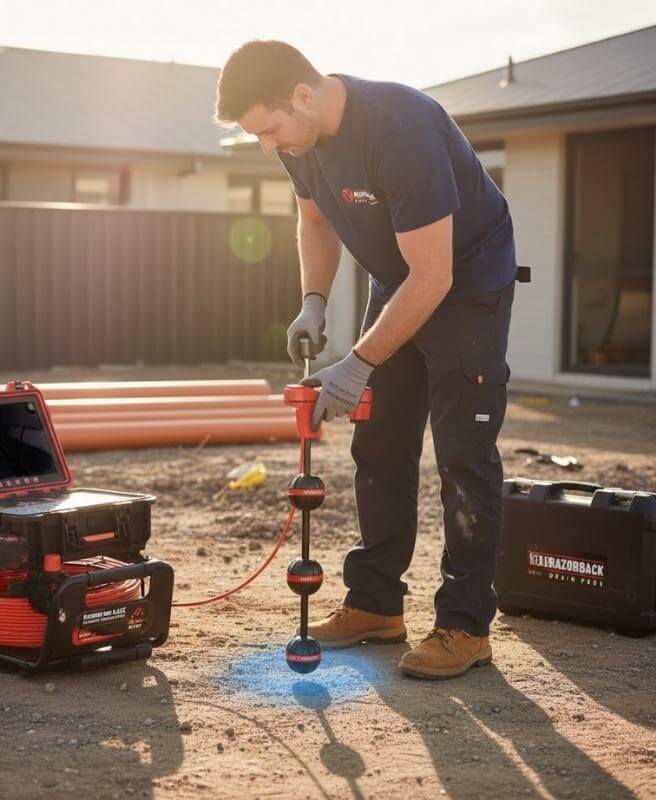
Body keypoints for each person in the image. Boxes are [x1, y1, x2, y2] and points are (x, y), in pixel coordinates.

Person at [215, 41, 519, 680]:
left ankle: (465, 626)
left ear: (302, 94)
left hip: (464, 283)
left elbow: (433, 277)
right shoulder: (301, 142)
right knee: (378, 444)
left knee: (463, 454)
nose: (269, 147)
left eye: (269, 130)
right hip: (400, 279)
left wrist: (355, 365)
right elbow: (317, 223)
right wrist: (314, 302)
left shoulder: (400, 128)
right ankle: (377, 605)